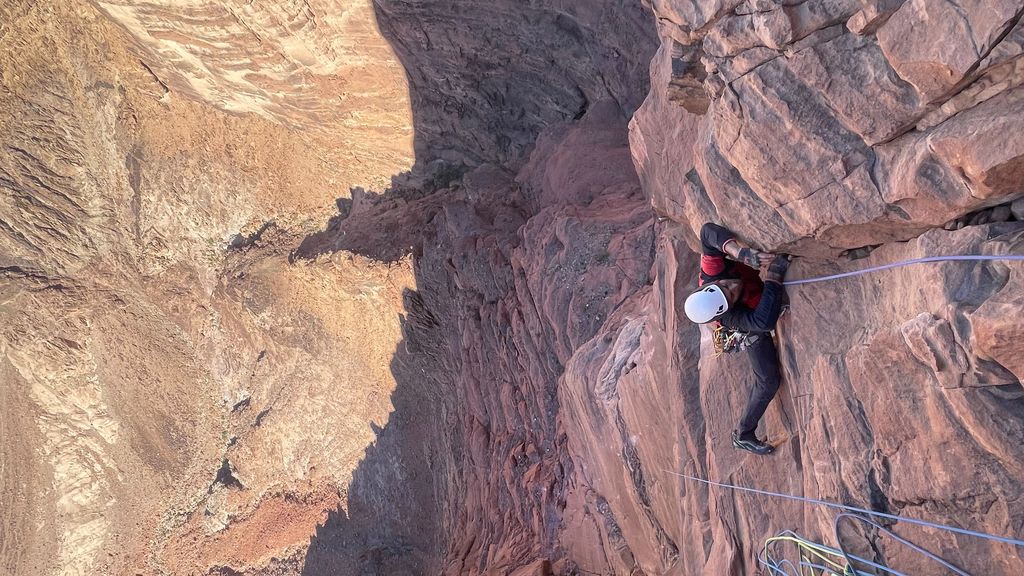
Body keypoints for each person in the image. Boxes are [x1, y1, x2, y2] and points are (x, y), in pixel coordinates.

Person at [683, 222, 791, 456]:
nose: (732, 285)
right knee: (768, 382)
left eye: (725, 286)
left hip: (749, 292)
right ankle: (743, 434)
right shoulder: (730, 316)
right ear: (726, 308)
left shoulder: (711, 275)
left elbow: (707, 232)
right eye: (730, 294)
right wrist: (774, 276)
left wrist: (738, 252)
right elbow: (762, 323)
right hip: (747, 325)